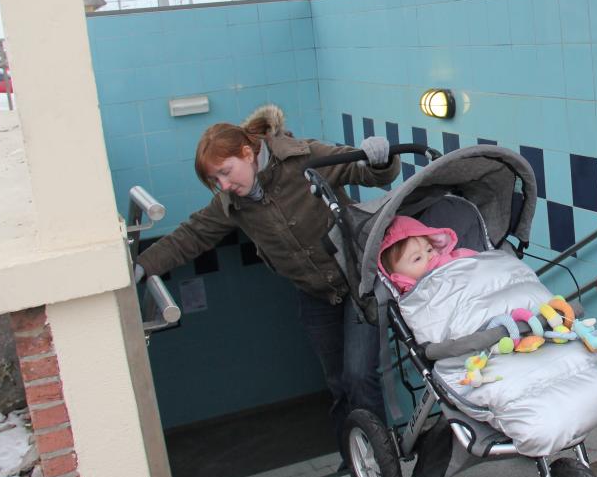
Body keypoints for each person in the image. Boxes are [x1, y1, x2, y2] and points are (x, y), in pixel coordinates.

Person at [134, 104, 399, 444]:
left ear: (248, 153)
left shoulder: (302, 159)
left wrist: (378, 159)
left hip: (358, 284)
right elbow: (192, 235)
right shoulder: (233, 205)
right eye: (215, 180)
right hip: (315, 296)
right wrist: (142, 265)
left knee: (360, 376)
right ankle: (353, 458)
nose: (224, 184)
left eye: (226, 172)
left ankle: (380, 454)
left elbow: (366, 171)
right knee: (337, 383)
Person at [378, 215, 478, 294]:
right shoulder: (410, 299)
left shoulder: (449, 259)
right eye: (417, 258)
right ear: (398, 277)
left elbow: (477, 262)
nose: (430, 256)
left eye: (429, 250)